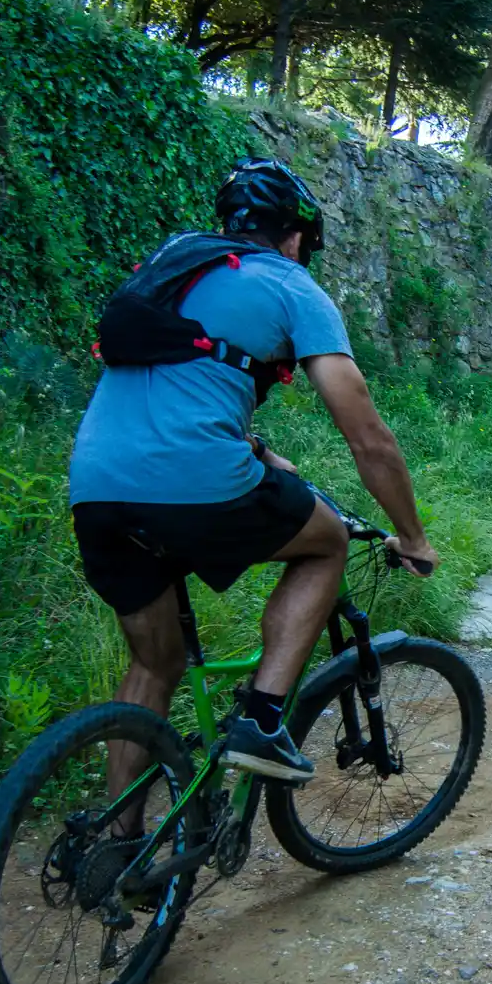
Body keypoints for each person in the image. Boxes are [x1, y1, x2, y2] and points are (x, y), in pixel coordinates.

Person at [69, 158, 437, 852]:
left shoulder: (174, 266)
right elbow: (369, 438)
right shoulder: (294, 286)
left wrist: (261, 452)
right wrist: (413, 536)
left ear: (228, 227)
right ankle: (264, 718)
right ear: (296, 237)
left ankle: (117, 849)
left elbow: (183, 382)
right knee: (326, 540)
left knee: (154, 663)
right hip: (196, 479)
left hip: (95, 482)